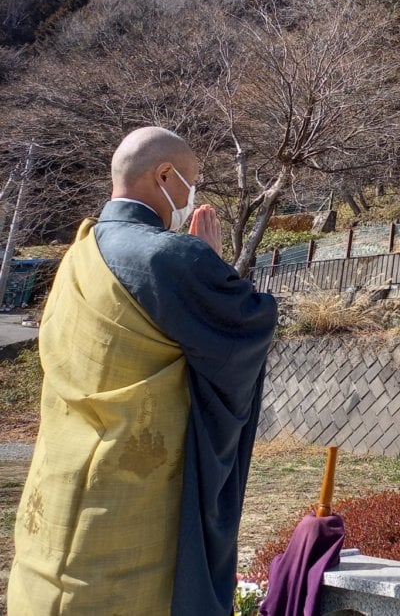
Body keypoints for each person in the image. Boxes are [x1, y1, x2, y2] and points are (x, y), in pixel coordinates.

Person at [8, 127, 278, 615]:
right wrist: (210, 265)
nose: (191, 197)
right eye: (191, 184)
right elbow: (245, 324)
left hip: (57, 487)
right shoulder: (171, 256)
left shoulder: (77, 255)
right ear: (164, 175)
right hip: (136, 500)